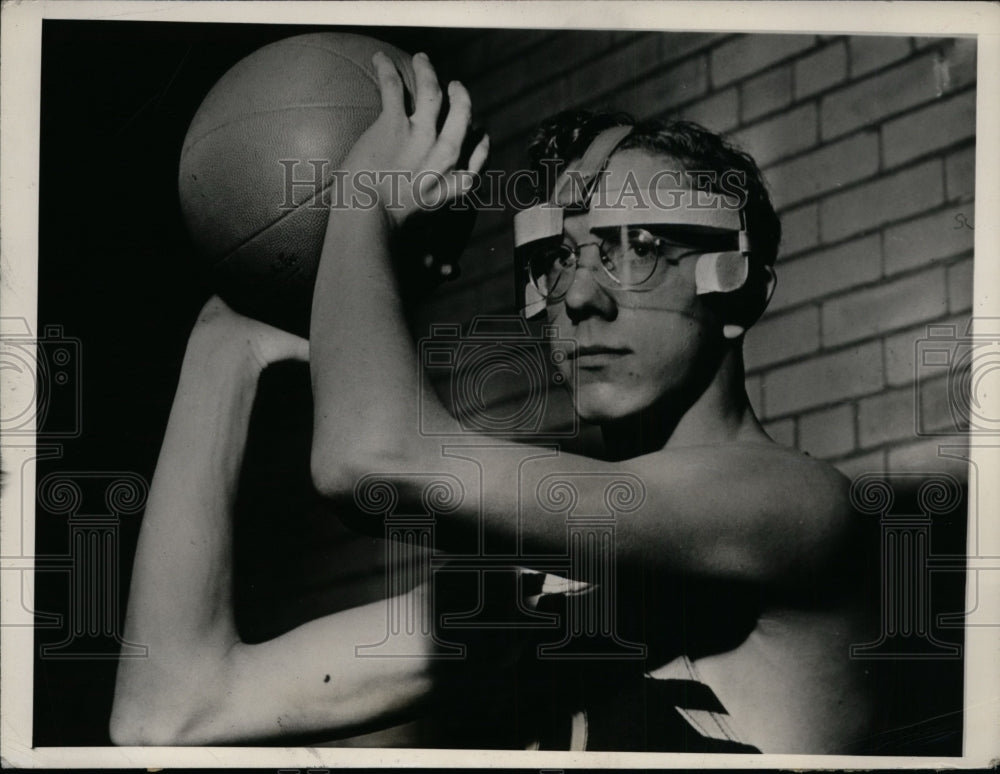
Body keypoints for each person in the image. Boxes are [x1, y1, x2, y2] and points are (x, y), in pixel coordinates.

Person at [110, 51, 877, 753]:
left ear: (740, 284)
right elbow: (172, 706)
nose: (578, 294)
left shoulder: (799, 510)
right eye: (555, 258)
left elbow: (369, 457)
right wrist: (223, 342)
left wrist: (364, 201)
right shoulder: (540, 598)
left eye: (637, 247)